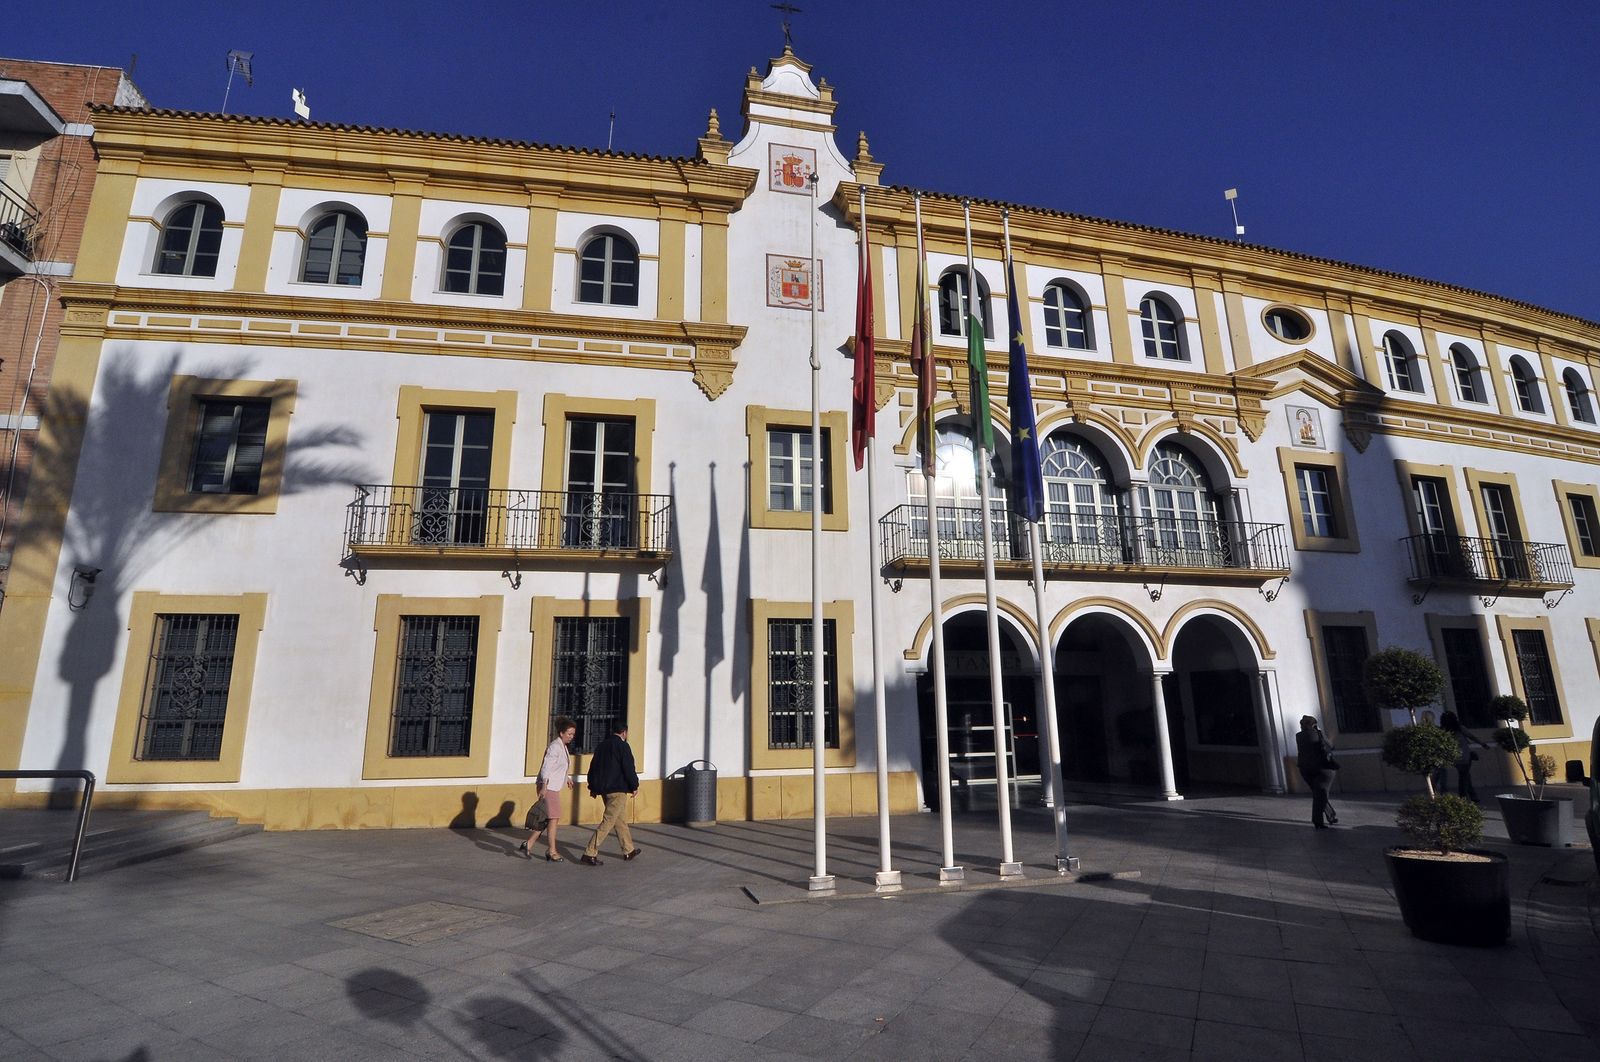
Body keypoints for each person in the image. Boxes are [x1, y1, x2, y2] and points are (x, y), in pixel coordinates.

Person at [580, 719, 641, 866]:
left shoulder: (601, 746)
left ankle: (629, 850)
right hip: (618, 790)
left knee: (619, 820)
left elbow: (593, 768)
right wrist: (634, 785)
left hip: (604, 790)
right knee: (608, 821)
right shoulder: (623, 746)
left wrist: (592, 787)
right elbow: (628, 768)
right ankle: (589, 852)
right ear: (624, 732)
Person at [520, 716, 576, 861]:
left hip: (552, 786)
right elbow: (546, 768)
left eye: (573, 734)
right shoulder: (554, 747)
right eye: (569, 734)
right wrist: (544, 787)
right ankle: (552, 851)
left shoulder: (562, 747)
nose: (571, 736)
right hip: (548, 787)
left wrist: (567, 778)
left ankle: (529, 844)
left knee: (549, 819)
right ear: (561, 733)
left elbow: (558, 767)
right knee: (553, 818)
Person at [1295, 715, 1339, 828]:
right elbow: (1330, 746)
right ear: (1314, 725)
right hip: (1322, 768)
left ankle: (1330, 815)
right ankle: (1318, 821)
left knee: (1318, 793)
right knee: (1322, 794)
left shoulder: (1298, 736)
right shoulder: (1318, 734)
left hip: (1305, 769)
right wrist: (1320, 732)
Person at [1440, 711, 1491, 803]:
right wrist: (1482, 744)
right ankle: (1463, 796)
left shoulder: (1443, 731)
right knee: (1464, 776)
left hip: (1454, 757)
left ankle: (1472, 795)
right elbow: (1471, 736)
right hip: (1465, 756)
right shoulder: (1459, 728)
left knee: (1465, 775)